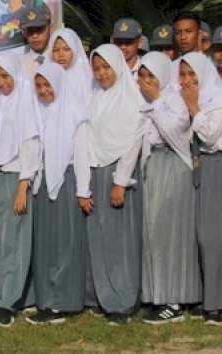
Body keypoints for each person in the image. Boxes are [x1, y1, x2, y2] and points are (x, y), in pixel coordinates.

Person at [0, 51, 40, 327]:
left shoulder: (25, 102)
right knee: (5, 242)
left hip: (17, 178)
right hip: (0, 176)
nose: (2, 83)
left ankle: (6, 304)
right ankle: (14, 297)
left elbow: (31, 143)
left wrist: (23, 186)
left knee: (13, 242)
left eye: (6, 76)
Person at [137, 51, 201, 324]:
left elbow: (175, 133)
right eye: (141, 76)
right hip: (152, 167)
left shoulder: (175, 100)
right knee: (154, 234)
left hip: (174, 167)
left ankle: (176, 299)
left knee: (173, 234)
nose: (146, 81)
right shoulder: (139, 99)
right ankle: (158, 295)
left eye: (152, 76)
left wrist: (157, 100)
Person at [85, 44, 145, 326]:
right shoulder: (96, 97)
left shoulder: (131, 99)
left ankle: (124, 300)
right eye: (96, 69)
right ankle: (106, 296)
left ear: (118, 66)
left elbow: (133, 141)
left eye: (106, 67)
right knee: (100, 238)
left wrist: (120, 181)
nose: (101, 74)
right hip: (97, 170)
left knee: (121, 240)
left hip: (122, 175)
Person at [27, 62, 89, 324]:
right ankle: (47, 299)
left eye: (47, 85)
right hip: (43, 183)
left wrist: (83, 190)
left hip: (67, 181)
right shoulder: (39, 112)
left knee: (65, 243)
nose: (43, 91)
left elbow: (82, 155)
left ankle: (63, 302)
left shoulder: (75, 112)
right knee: (46, 244)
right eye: (39, 86)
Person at [178, 52, 222, 325]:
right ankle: (211, 300)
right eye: (183, 75)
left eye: (193, 74)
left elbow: (210, 136)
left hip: (216, 161)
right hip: (202, 166)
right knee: (205, 236)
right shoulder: (184, 99)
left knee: (212, 236)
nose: (187, 81)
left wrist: (194, 108)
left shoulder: (216, 99)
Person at [45, 27, 93, 104]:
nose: (61, 55)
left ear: (75, 50)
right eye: (56, 50)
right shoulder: (45, 77)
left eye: (66, 49)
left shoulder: (87, 78)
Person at [16, 3, 53, 78]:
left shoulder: (62, 61)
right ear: (24, 32)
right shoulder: (18, 65)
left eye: (39, 28)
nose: (35, 35)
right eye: (30, 30)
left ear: (51, 27)